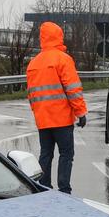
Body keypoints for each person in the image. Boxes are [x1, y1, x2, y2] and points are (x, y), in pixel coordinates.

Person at [26, 21, 87, 194]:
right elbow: (73, 89)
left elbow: (31, 94)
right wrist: (80, 112)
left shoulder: (33, 63)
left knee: (46, 154)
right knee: (66, 154)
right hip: (61, 119)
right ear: (58, 36)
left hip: (43, 120)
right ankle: (64, 190)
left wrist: (38, 113)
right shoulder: (63, 59)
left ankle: (44, 187)